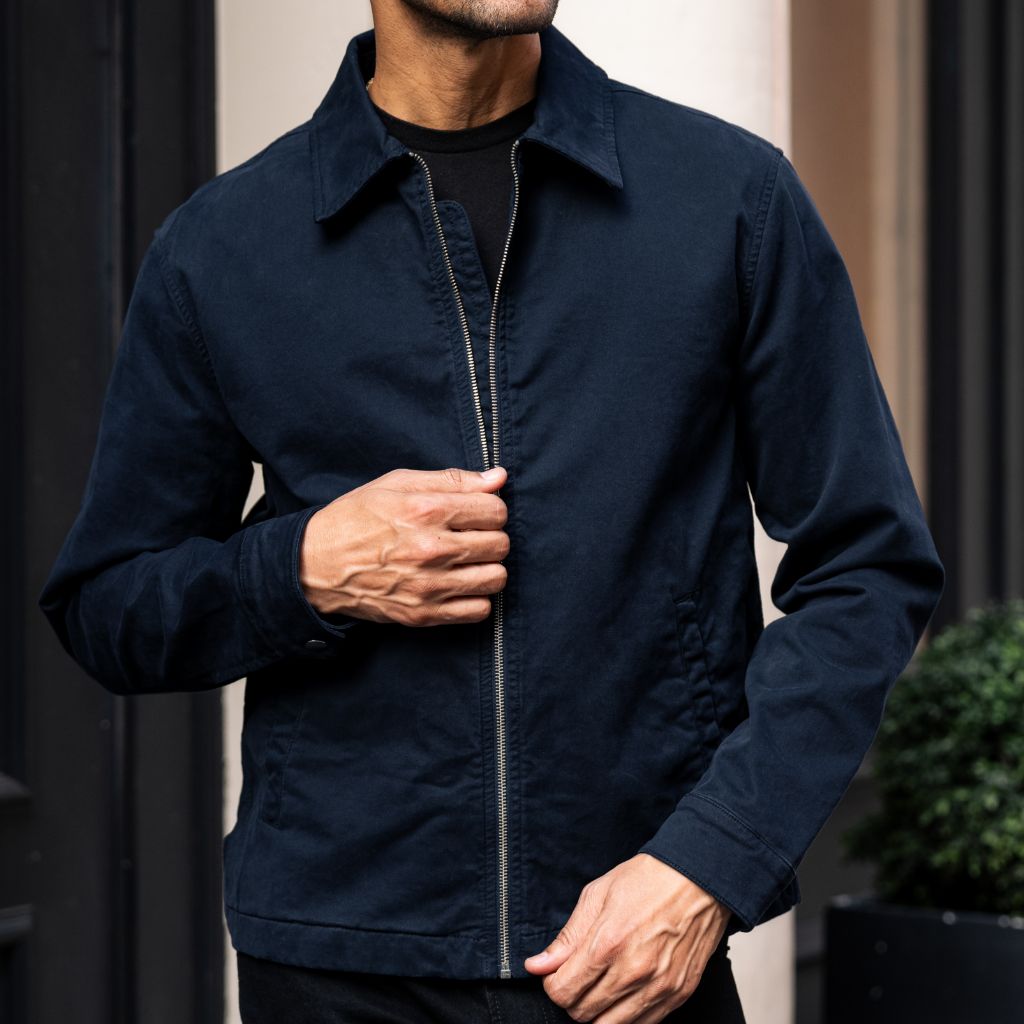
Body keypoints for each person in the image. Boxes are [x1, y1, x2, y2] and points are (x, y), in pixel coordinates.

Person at [37, 1, 946, 1021]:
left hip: (630, 953)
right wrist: (300, 570)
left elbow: (867, 568)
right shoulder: (221, 247)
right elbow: (106, 603)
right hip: (337, 968)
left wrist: (711, 862)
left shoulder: (727, 196)